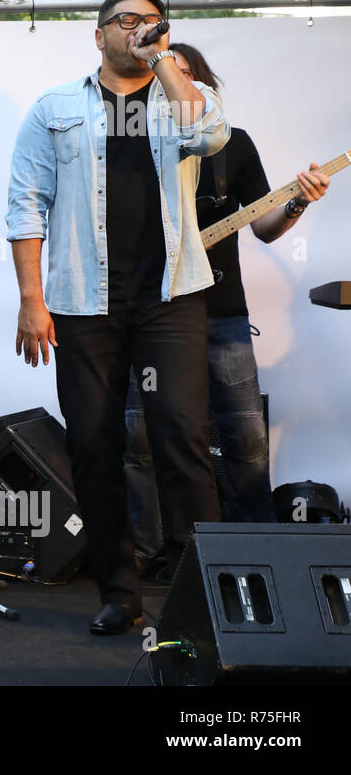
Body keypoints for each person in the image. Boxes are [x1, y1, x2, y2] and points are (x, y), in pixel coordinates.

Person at [6, 0, 230, 635]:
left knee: (183, 440)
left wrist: (165, 59)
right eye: (127, 20)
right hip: (83, 301)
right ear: (99, 34)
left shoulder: (181, 94)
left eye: (153, 22)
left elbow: (210, 136)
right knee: (95, 446)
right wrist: (31, 299)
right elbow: (26, 203)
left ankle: (202, 597)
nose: (140, 29)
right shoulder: (55, 108)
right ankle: (120, 594)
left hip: (172, 297)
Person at [124, 43, 331, 571]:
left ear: (204, 85)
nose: (173, 82)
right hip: (148, 312)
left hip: (221, 314)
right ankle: (150, 555)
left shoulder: (231, 145)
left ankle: (255, 551)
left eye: (184, 74)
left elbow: (264, 225)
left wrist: (298, 201)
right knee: (142, 438)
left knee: (244, 435)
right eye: (162, 71)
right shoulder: (129, 143)